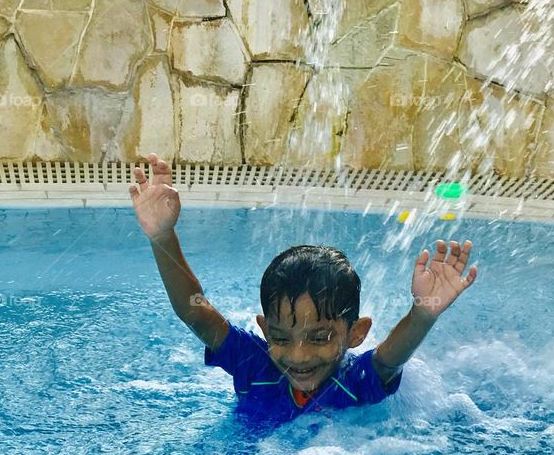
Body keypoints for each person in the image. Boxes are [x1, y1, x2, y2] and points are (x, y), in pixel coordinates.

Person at [130, 154, 477, 423]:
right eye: (281, 338)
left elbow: (390, 359)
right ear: (264, 330)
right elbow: (194, 311)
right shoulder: (255, 364)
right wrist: (162, 237)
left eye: (320, 337)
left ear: (356, 333)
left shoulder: (354, 380)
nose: (298, 356)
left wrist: (422, 314)